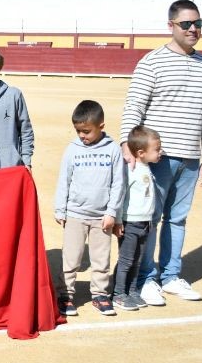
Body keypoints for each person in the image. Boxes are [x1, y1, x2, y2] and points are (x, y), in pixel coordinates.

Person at [120, 0, 202, 306]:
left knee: (178, 219)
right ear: (171, 26)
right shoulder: (151, 62)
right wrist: (128, 145)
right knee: (150, 218)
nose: (193, 30)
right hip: (156, 157)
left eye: (198, 24)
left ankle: (171, 275)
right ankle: (147, 277)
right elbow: (134, 105)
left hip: (190, 157)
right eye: (186, 24)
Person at [54, 99, 125, 317]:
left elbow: (118, 184)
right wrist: (60, 209)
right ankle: (65, 294)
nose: (82, 136)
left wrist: (113, 214)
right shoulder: (72, 150)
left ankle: (100, 294)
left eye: (87, 131)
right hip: (75, 215)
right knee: (71, 258)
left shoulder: (113, 150)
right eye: (78, 131)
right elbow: (64, 179)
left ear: (101, 126)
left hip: (102, 217)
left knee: (101, 258)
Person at [112, 125, 162, 311]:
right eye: (156, 149)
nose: (160, 152)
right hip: (130, 222)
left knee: (137, 260)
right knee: (126, 260)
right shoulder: (130, 169)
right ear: (140, 152)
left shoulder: (146, 167)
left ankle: (132, 290)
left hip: (145, 222)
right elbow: (120, 195)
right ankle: (118, 293)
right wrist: (118, 220)